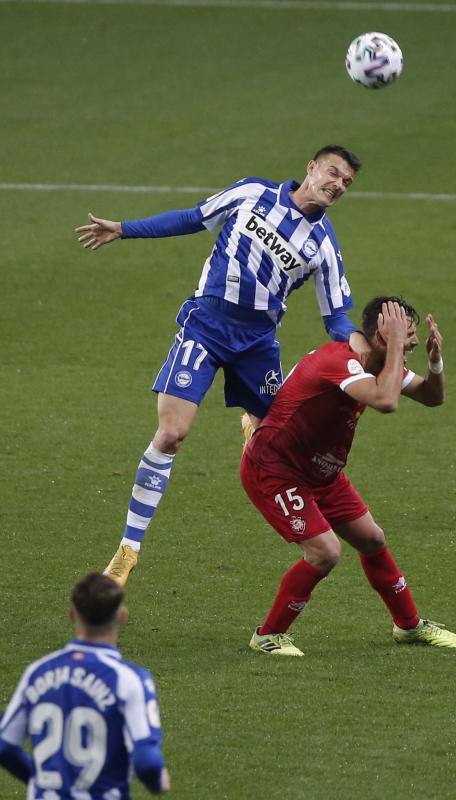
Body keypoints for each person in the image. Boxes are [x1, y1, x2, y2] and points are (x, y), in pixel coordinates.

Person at [75, 145, 367, 586]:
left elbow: (336, 319)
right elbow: (194, 218)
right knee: (171, 435)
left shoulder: (324, 246)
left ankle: (324, 513)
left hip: (257, 347)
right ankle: (128, 550)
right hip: (206, 327)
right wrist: (124, 229)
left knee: (288, 444)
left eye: (346, 182)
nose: (337, 185)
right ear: (310, 168)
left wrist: (369, 347)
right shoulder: (251, 193)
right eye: (333, 173)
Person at [240, 297, 456, 656]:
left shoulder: (378, 362)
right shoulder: (338, 361)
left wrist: (435, 362)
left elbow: (431, 397)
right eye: (405, 335)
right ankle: (267, 635)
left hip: (321, 473)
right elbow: (386, 401)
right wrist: (394, 348)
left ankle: (409, 627)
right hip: (276, 470)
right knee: (325, 552)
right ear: (380, 335)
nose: (411, 343)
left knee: (373, 540)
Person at [0, 573, 171, 797]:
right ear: (121, 616)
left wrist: (38, 779)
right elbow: (147, 762)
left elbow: (4, 746)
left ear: (72, 615)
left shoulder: (37, 672)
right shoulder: (129, 680)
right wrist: (157, 782)